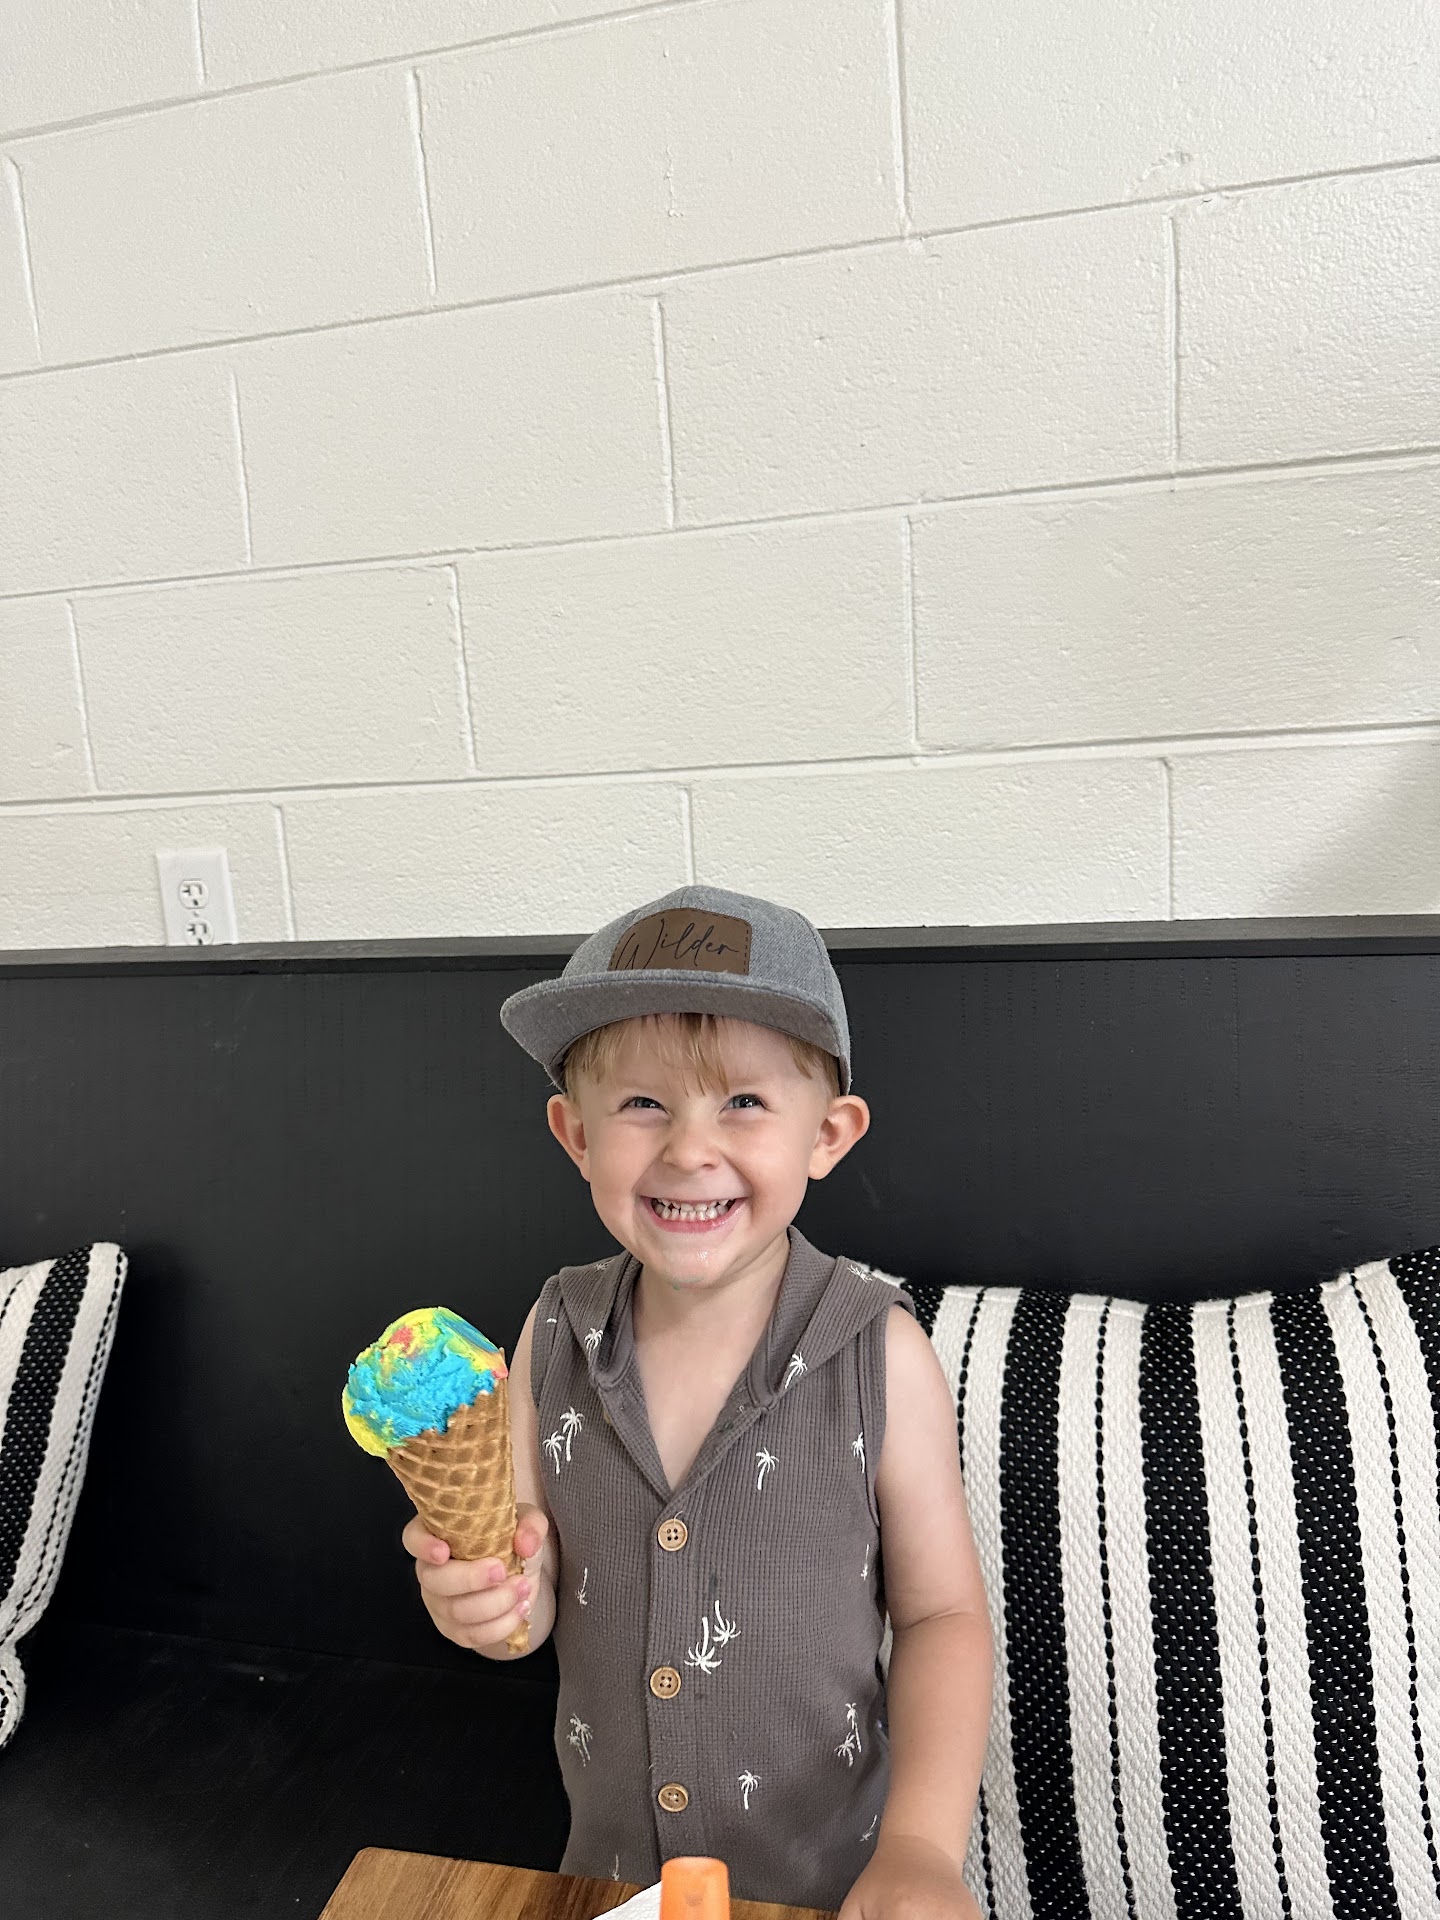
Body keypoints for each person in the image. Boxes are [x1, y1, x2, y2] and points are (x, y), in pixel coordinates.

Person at [402, 885, 991, 1919]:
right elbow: (530, 1590)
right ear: (576, 1134)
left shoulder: (880, 1354)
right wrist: (485, 1605)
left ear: (828, 1134)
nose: (688, 1149)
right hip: (611, 1880)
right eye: (642, 1104)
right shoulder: (553, 1332)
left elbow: (942, 1614)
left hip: (831, 1893)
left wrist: (922, 1848)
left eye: (744, 1103)